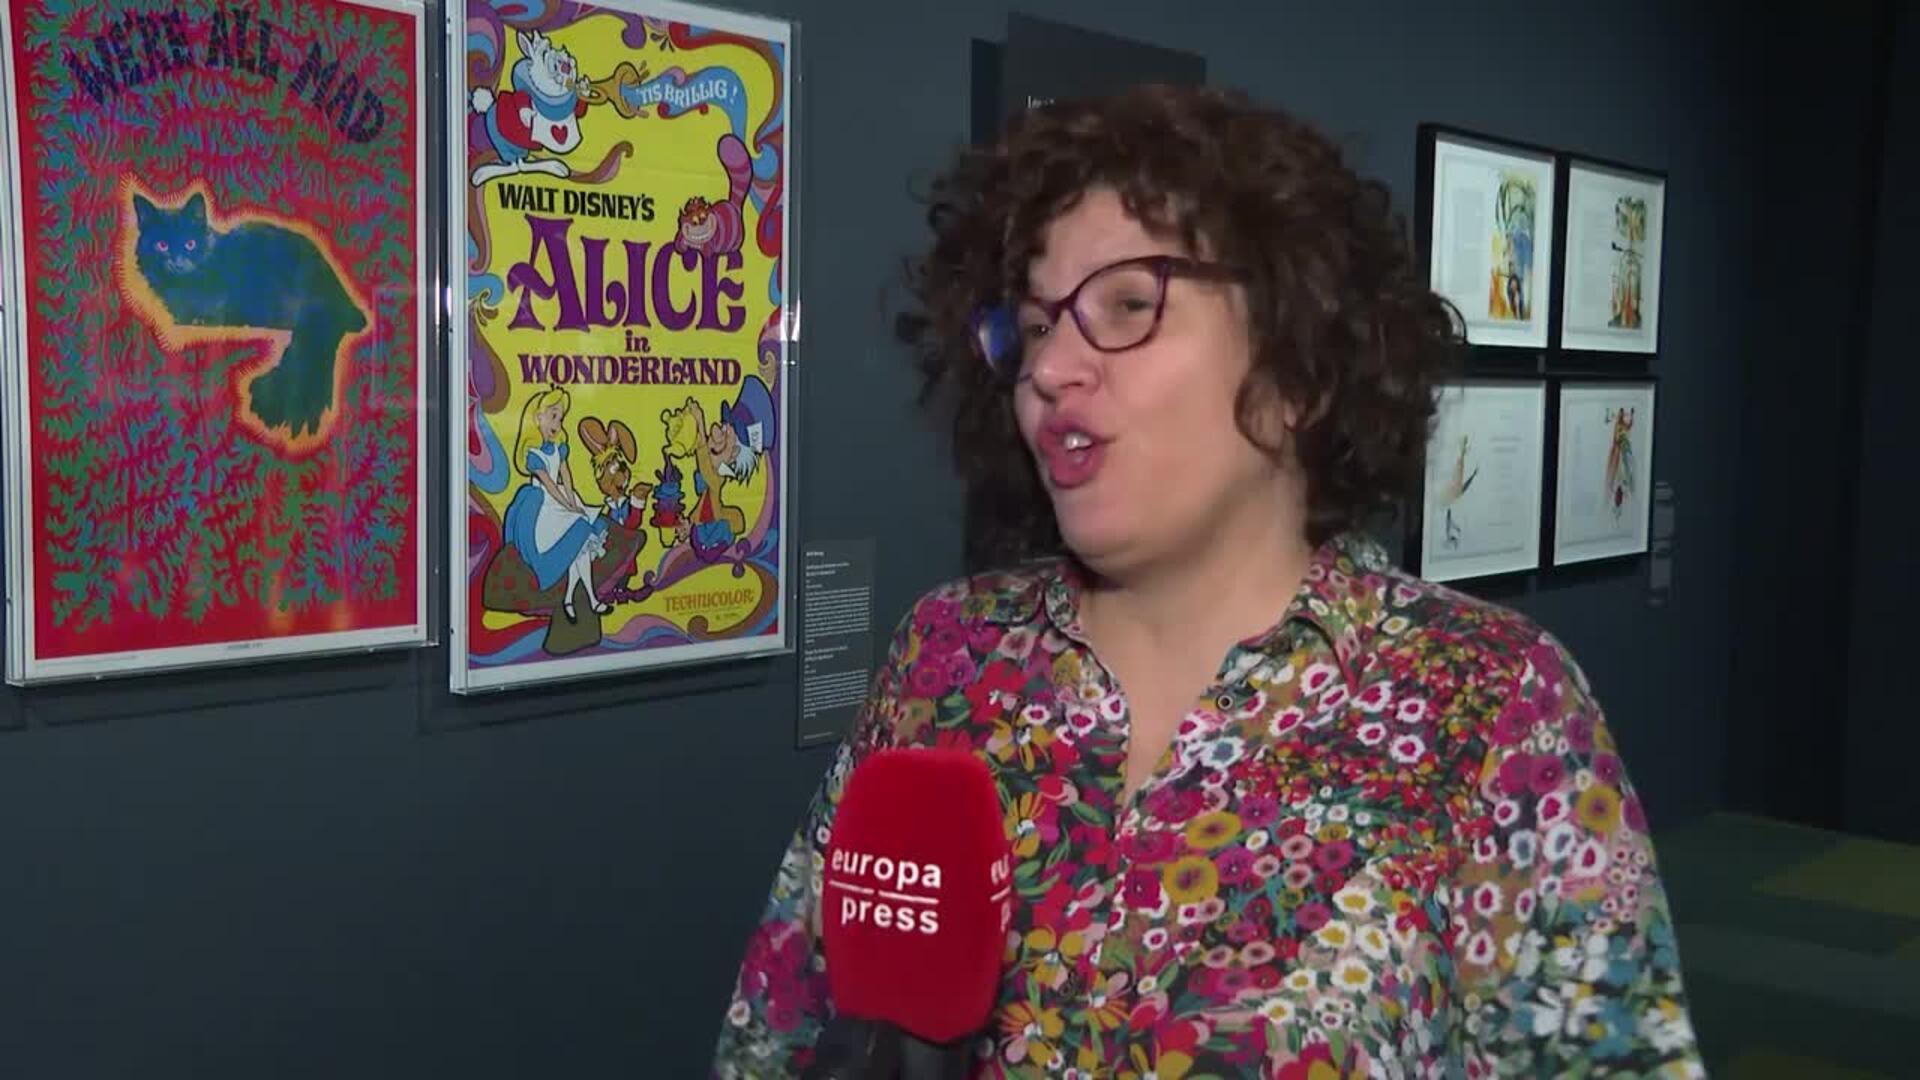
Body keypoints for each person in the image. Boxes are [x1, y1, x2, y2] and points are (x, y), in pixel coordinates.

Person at [712, 84, 1702, 1078]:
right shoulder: (947, 653)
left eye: (1127, 306)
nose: (1051, 368)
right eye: (1034, 327)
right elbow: (778, 1034)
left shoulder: (1491, 702)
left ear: (1299, 368)